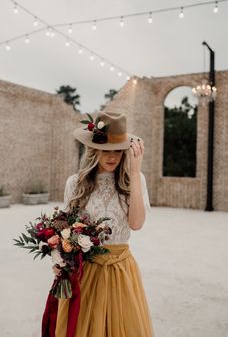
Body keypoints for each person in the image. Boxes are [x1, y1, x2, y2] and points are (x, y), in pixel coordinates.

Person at [53, 111, 154, 337]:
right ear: (93, 149)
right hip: (86, 271)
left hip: (121, 269)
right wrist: (60, 259)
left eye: (118, 150)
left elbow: (136, 224)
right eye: (106, 149)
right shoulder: (75, 183)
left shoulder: (135, 180)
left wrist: (135, 172)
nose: (112, 156)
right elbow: (65, 232)